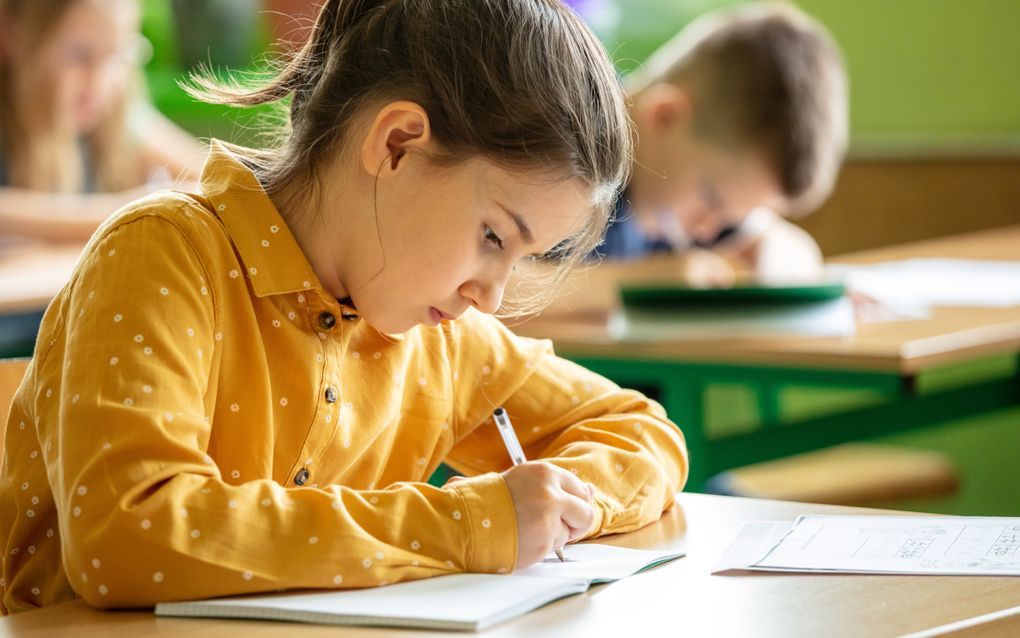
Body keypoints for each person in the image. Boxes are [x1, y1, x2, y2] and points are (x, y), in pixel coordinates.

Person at [0, 0, 688, 614]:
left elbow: (640, 431)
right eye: (492, 238)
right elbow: (127, 535)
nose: (492, 295)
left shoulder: (439, 333)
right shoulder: (163, 255)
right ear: (396, 145)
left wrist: (556, 510)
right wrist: (464, 526)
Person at [600, 3, 848, 286]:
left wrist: (772, 277)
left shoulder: (695, 182)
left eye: (729, 216)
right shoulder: (567, 145)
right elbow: (537, 285)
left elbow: (790, 245)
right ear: (666, 116)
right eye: (710, 199)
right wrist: (639, 282)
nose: (705, 233)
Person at [0, 0, 204, 242]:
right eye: (78, 55)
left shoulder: (117, 117)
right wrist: (134, 212)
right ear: (10, 33)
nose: (97, 81)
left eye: (117, 55)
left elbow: (209, 176)